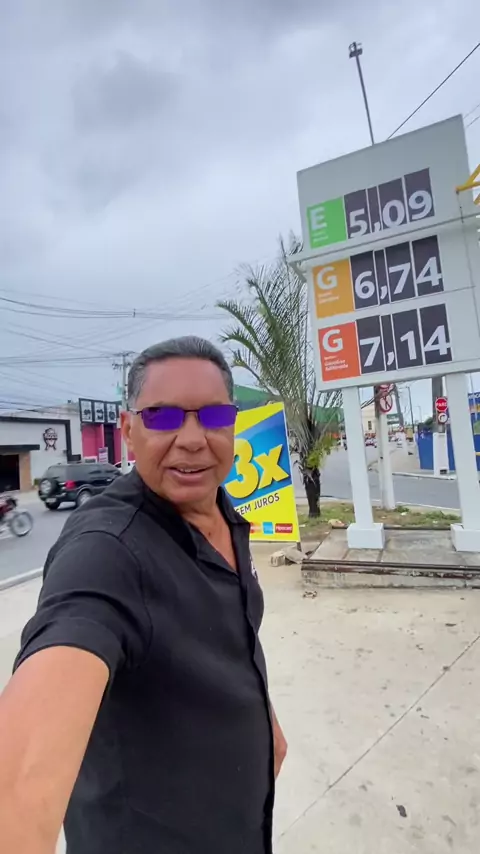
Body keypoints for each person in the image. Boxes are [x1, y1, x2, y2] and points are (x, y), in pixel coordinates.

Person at [0, 336, 287, 854]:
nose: (192, 439)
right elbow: (21, 776)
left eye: (213, 416)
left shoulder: (222, 511)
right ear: (128, 430)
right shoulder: (110, 549)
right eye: (162, 417)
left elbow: (230, 636)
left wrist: (263, 718)